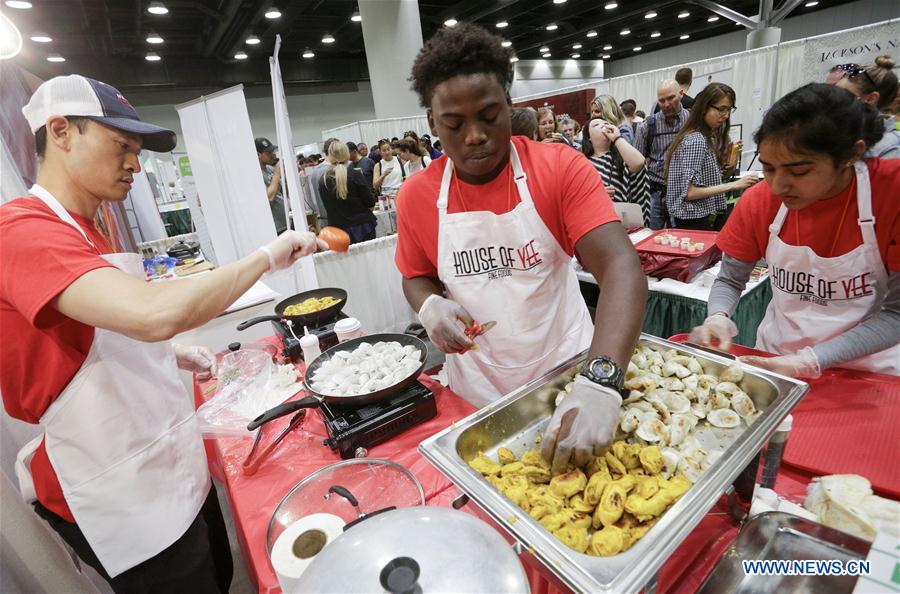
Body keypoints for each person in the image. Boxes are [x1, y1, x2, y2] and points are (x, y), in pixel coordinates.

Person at [0, 75, 324, 594]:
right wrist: (265, 256)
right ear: (60, 132)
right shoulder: (21, 231)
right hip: (118, 489)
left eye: (137, 150)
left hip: (169, 460)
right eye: (122, 146)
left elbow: (97, 331)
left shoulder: (91, 228)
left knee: (218, 576)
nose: (135, 163)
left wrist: (170, 354)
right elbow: (151, 313)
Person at [397, 24, 647, 473]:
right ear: (432, 123)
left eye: (489, 116)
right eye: (454, 124)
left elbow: (621, 266)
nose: (474, 135)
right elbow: (414, 273)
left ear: (511, 107)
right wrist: (429, 305)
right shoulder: (417, 196)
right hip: (476, 394)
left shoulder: (557, 168)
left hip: (569, 379)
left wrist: (602, 380)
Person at [689, 83, 899, 376]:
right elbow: (729, 280)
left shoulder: (890, 193)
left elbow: (897, 314)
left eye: (799, 172)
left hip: (869, 370)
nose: (778, 185)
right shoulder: (760, 201)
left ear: (852, 155)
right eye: (769, 168)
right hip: (778, 360)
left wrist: (811, 360)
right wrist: (718, 316)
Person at [664, 83, 757, 230]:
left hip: (695, 216)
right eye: (721, 109)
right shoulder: (696, 139)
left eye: (729, 109)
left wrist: (728, 161)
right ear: (704, 108)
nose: (726, 115)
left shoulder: (705, 136)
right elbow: (690, 192)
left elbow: (705, 181)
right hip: (691, 219)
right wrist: (735, 185)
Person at [634, 79, 691, 229]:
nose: (666, 104)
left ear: (681, 94)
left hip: (684, 192)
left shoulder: (692, 122)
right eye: (661, 100)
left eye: (671, 98)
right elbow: (636, 162)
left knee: (683, 239)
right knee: (652, 238)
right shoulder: (647, 126)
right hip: (656, 192)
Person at [582, 116, 650, 226]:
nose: (603, 125)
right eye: (596, 125)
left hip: (623, 221)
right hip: (595, 222)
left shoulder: (622, 156)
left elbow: (639, 163)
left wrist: (617, 138)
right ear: (589, 137)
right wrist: (597, 193)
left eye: (605, 123)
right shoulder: (583, 162)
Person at [830, 56, 900, 159]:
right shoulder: (835, 126)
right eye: (834, 92)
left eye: (844, 95)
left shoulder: (891, 146)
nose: (833, 100)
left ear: (871, 99)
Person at [319, 141, 378, 244]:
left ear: (329, 156)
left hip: (338, 232)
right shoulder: (355, 174)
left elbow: (328, 208)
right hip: (362, 228)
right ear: (346, 154)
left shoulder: (323, 180)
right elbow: (370, 202)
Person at [255, 137, 289, 233]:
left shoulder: (270, 169)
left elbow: (282, 192)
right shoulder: (256, 174)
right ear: (258, 154)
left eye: (272, 152)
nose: (272, 155)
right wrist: (277, 173)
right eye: (268, 153)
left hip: (286, 222)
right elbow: (269, 197)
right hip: (276, 227)